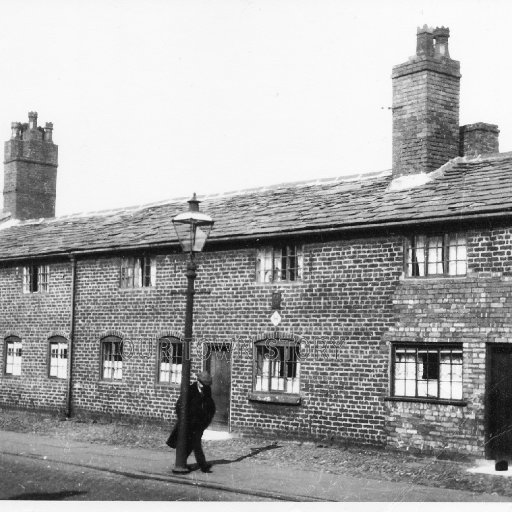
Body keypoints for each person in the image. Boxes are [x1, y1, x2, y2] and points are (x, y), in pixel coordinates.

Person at [172, 370, 216, 473]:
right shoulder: (190, 390)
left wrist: (206, 421)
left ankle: (182, 462)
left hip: (199, 424)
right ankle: (202, 466)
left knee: (194, 444)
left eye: (206, 385)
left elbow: (210, 406)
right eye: (203, 384)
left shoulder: (207, 390)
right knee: (195, 444)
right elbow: (179, 406)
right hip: (189, 423)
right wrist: (183, 420)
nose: (204, 386)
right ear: (198, 381)